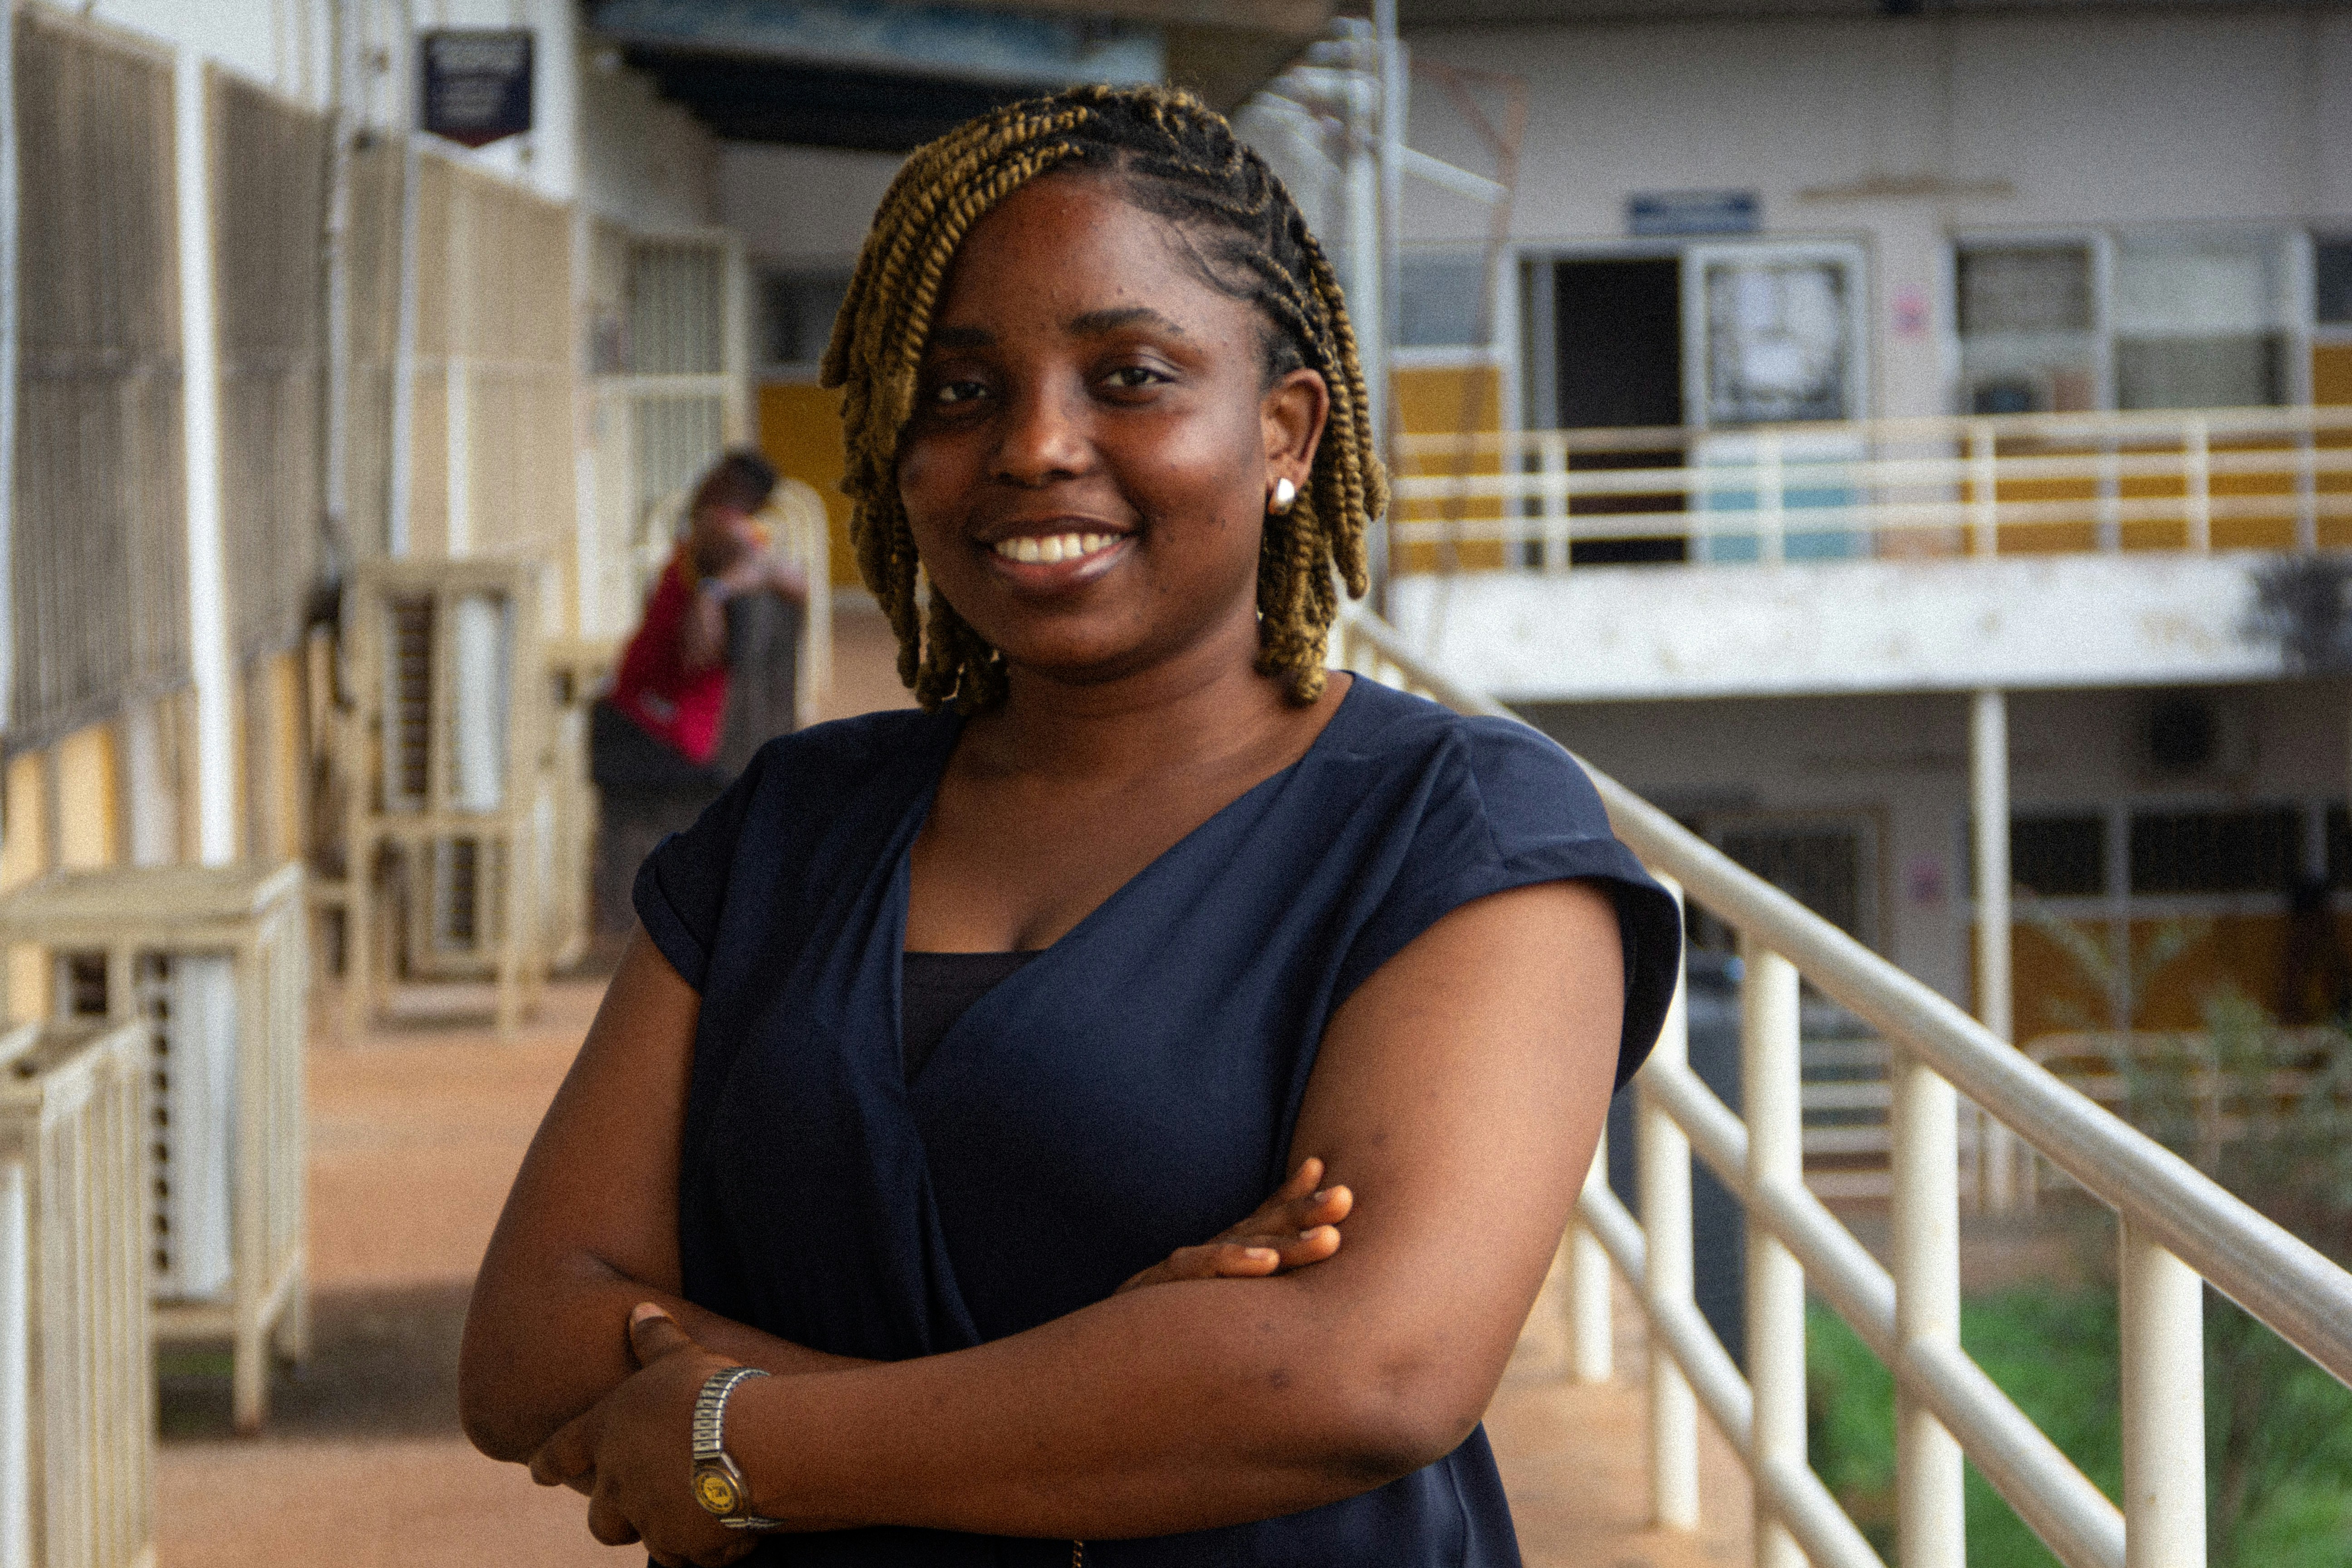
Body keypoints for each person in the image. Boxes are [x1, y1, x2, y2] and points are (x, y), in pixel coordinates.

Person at [461, 85, 1680, 1567]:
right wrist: (1134, 1389)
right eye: (962, 392)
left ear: (1285, 431)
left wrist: (744, 1441)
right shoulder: (791, 825)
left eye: (1133, 376)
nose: (1037, 445)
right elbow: (527, 1344)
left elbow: (1366, 1373)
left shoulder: (1456, 829)